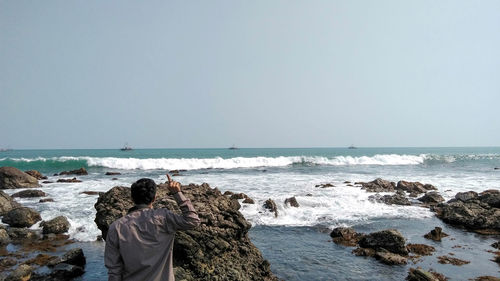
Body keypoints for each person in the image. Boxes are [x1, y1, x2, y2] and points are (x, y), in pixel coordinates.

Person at [104, 174, 200, 281]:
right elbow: (193, 220)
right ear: (154, 198)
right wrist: (177, 193)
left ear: (132, 198)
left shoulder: (116, 227)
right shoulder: (164, 218)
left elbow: (114, 270)